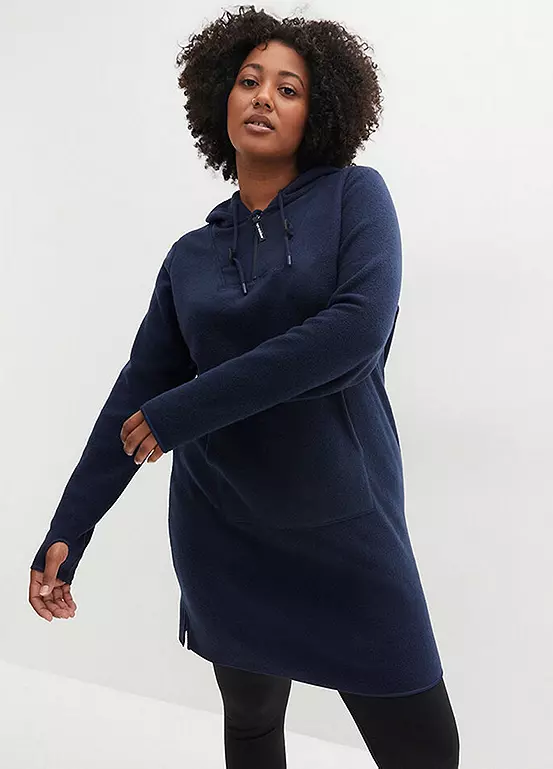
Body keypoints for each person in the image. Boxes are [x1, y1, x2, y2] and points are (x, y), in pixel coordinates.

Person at [28, 5, 460, 768]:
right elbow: (137, 391)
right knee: (253, 721)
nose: (263, 96)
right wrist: (71, 526)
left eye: (288, 88)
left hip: (345, 526)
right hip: (223, 529)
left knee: (425, 748)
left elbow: (354, 332)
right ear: (219, 99)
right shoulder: (190, 256)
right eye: (249, 80)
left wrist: (185, 409)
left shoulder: (355, 198)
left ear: (318, 112)